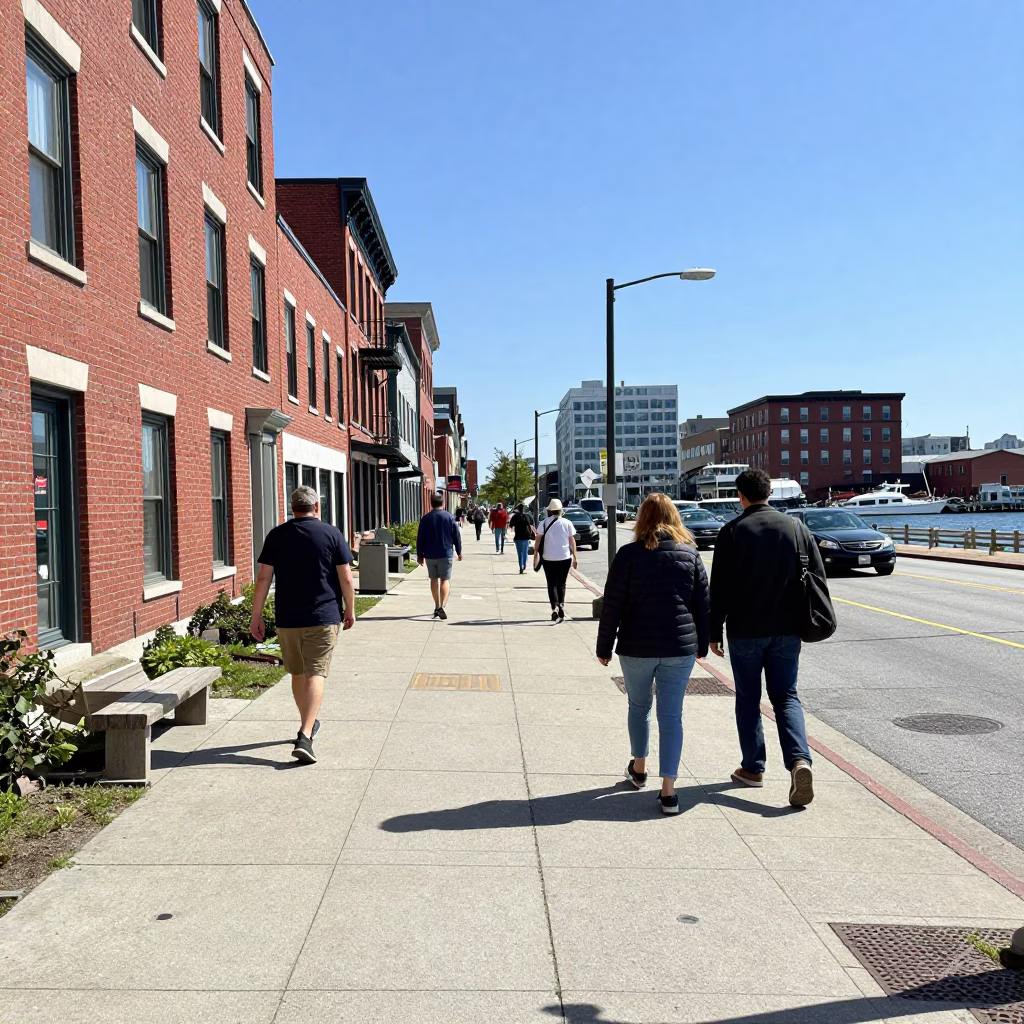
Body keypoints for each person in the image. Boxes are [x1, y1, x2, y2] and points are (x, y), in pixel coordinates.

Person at [709, 467, 823, 807]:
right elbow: (817, 576)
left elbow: (719, 590)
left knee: (748, 699)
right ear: (769, 493)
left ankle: (753, 768)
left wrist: (714, 632)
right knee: (786, 696)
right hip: (787, 629)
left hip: (745, 630)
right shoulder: (797, 528)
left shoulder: (731, 532)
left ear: (740, 496)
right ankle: (799, 760)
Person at [596, 493, 709, 815]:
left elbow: (612, 604)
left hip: (636, 645)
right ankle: (669, 791)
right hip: (678, 646)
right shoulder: (690, 555)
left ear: (641, 519)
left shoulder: (628, 555)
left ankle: (640, 767)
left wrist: (604, 647)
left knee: (639, 706)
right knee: (671, 716)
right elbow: (703, 604)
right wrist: (702, 644)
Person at [250, 485, 356, 765]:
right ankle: (306, 734)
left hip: (288, 619)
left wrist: (256, 615)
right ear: (316, 507)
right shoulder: (331, 534)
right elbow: (346, 577)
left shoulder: (277, 535)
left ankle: (306, 724)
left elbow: (263, 578)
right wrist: (351, 609)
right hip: (323, 617)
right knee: (316, 673)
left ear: (292, 508)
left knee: (298, 673)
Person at [416, 491, 463, 619]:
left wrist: (419, 554)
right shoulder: (449, 517)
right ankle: (442, 606)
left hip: (430, 554)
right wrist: (459, 551)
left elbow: (420, 537)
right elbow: (456, 536)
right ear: (443, 503)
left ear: (431, 503)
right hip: (445, 553)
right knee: (444, 580)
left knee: (433, 579)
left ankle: (436, 605)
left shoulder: (425, 518)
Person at [533, 498, 577, 621]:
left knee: (551, 584)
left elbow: (538, 539)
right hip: (564, 557)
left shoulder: (543, 523)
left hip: (548, 558)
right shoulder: (567, 523)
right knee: (562, 584)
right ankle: (561, 605)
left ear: (549, 511)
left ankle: (554, 608)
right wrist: (575, 558)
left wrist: (535, 553)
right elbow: (572, 541)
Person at [508, 503, 536, 574]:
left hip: (517, 537)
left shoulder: (515, 516)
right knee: (525, 552)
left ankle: (520, 566)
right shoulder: (527, 516)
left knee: (519, 553)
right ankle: (524, 564)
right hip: (525, 537)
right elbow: (531, 526)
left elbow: (510, 526)